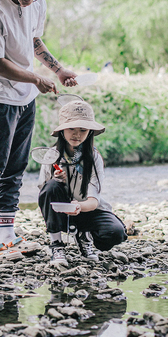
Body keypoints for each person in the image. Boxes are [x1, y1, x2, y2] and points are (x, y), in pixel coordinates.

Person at [0, 0, 78, 252]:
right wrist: (35, 79)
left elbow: (33, 41)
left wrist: (57, 70)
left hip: (25, 98)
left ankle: (7, 232)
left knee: (16, 165)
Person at [37, 100, 127, 266]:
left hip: (86, 210)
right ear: (62, 130)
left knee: (116, 232)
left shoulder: (94, 158)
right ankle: (57, 245)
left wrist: (78, 206)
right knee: (51, 186)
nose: (76, 134)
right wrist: (57, 181)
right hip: (60, 213)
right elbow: (44, 195)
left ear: (90, 132)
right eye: (71, 128)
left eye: (83, 130)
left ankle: (84, 236)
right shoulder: (51, 155)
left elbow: (93, 201)